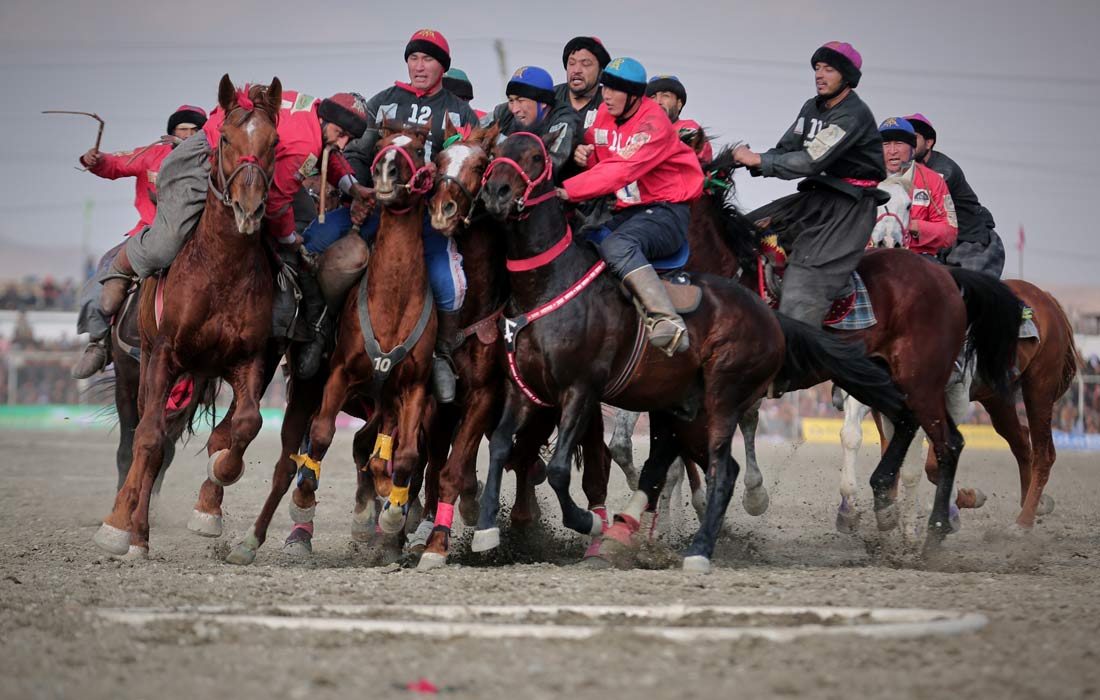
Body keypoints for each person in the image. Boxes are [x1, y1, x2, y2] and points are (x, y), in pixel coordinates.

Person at [95, 87, 374, 373]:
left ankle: (295, 320)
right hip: (211, 154)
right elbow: (276, 203)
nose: (343, 143)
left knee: (306, 223)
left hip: (254, 164)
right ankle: (122, 267)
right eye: (340, 134)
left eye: (349, 138)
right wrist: (290, 239)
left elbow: (329, 153)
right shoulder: (303, 146)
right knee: (171, 236)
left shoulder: (313, 107)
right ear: (325, 120)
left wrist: (353, 187)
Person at [338, 30, 483, 401]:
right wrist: (356, 188)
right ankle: (319, 333)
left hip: (427, 220)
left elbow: (462, 163)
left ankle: (440, 356)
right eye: (414, 59)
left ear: (442, 67)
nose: (420, 66)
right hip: (380, 210)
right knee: (329, 254)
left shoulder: (459, 111)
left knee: (449, 283)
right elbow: (356, 151)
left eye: (429, 60)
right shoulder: (383, 103)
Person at [733, 41, 887, 328]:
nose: (819, 74)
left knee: (805, 278)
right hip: (817, 196)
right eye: (817, 68)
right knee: (742, 230)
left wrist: (758, 160)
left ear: (847, 77)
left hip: (849, 207)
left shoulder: (852, 114)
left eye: (829, 69)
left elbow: (809, 162)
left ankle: (794, 351)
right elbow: (786, 150)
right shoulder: (811, 107)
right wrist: (746, 160)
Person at [558, 57, 703, 354]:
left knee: (618, 246)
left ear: (635, 97)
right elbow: (603, 157)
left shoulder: (654, 124)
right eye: (605, 89)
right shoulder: (603, 114)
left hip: (666, 212)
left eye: (615, 91)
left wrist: (566, 191)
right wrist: (585, 153)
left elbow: (620, 170)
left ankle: (668, 320)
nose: (606, 96)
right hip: (627, 211)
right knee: (581, 245)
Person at [72, 105, 208, 379]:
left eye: (196, 130)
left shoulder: (211, 160)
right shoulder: (150, 154)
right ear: (172, 132)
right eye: (184, 129)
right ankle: (99, 342)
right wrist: (95, 160)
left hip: (196, 239)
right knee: (106, 267)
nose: (190, 134)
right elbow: (115, 164)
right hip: (147, 233)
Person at [904, 113, 1005, 277]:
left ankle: (1017, 303)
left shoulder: (942, 172)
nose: (907, 144)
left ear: (929, 143)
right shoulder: (907, 171)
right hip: (939, 243)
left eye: (913, 138)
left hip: (969, 243)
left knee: (967, 294)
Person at [482, 65, 580, 182]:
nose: (514, 109)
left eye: (521, 100)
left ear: (543, 102)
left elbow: (547, 168)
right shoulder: (502, 113)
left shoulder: (564, 122)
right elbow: (471, 139)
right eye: (511, 100)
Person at [879, 116, 957, 257]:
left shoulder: (932, 180)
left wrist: (913, 225)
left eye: (899, 143)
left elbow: (950, 233)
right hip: (872, 256)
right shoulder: (865, 179)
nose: (892, 150)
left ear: (913, 150)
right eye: (886, 144)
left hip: (918, 257)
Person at [645, 75, 713, 164]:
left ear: (679, 104)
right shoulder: (637, 132)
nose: (658, 102)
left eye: (665, 96)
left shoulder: (689, 129)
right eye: (653, 97)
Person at [555, 36, 611, 132]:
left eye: (586, 64)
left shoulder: (609, 102)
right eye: (571, 63)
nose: (576, 70)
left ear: (601, 70)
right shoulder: (551, 97)